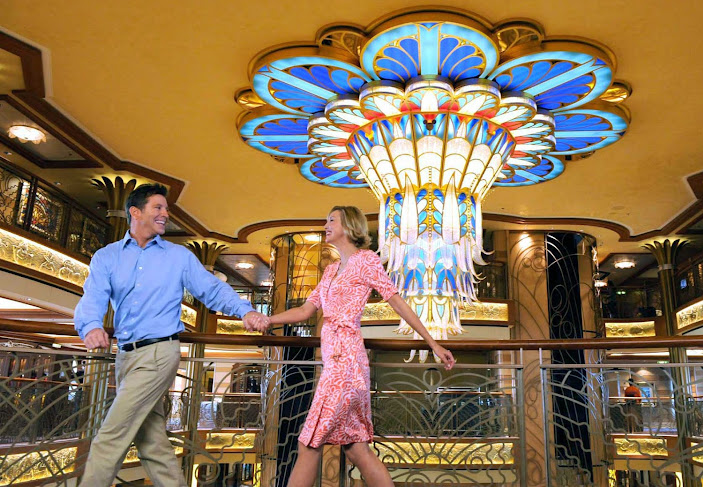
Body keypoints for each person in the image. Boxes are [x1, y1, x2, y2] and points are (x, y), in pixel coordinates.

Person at [245, 205, 455, 487]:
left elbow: (396, 301)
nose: (325, 225)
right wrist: (268, 319)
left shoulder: (366, 260)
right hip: (336, 362)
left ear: (350, 226)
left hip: (346, 363)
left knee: (308, 444)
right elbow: (306, 310)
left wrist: (433, 343)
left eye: (331, 220)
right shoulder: (331, 270)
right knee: (357, 449)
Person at [74, 183, 266, 487]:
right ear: (135, 213)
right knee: (152, 444)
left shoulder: (178, 257)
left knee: (110, 436)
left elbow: (211, 289)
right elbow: (93, 296)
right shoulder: (107, 257)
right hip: (125, 356)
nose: (166, 214)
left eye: (166, 209)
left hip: (158, 354)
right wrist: (91, 325)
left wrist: (245, 310)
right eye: (158, 208)